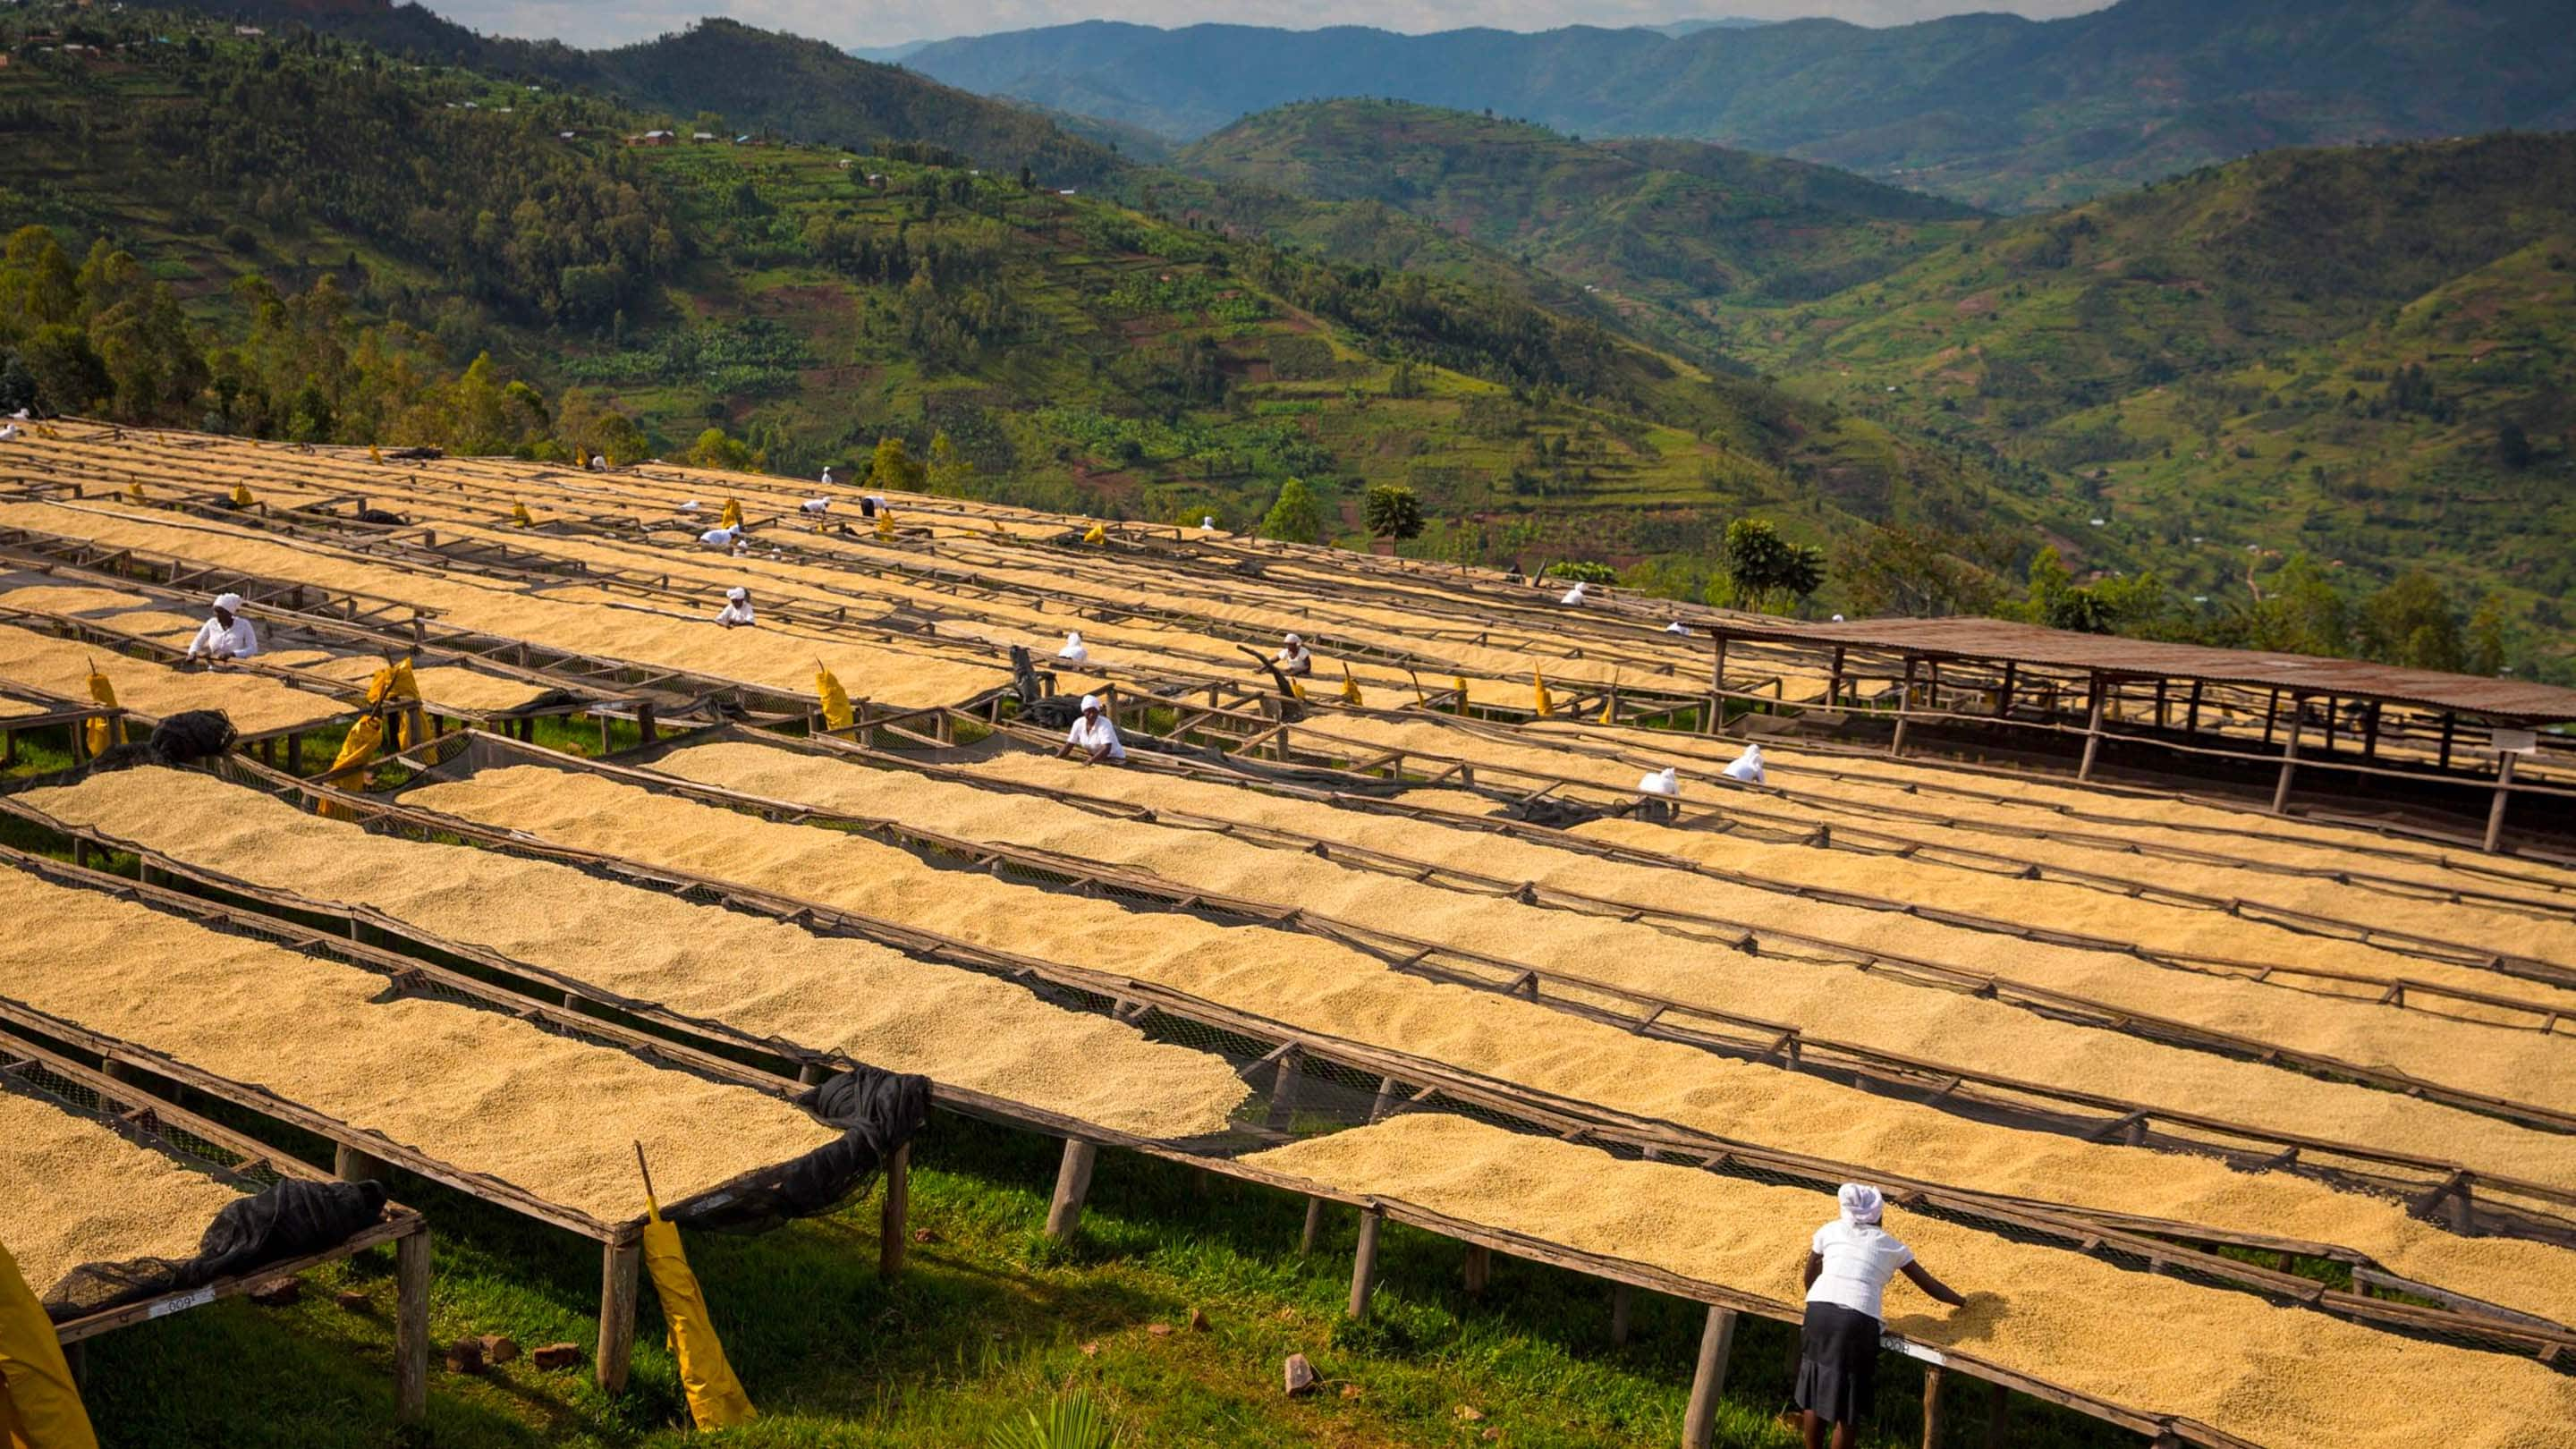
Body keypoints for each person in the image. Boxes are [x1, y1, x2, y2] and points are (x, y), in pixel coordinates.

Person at [1797, 1184, 1967, 1449]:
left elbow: (1810, 1274)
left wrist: (1818, 1302)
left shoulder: (1829, 1230)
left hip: (1818, 1310)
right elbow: (1930, 1285)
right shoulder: (1891, 1246)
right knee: (1848, 1404)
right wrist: (1963, 1302)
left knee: (1814, 1388)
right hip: (1857, 1320)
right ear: (1878, 1216)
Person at [184, 593, 259, 664]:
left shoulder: (243, 625)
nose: (216, 614)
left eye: (220, 611)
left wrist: (233, 654)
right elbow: (198, 641)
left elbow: (252, 649)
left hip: (236, 668)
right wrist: (193, 652)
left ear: (229, 612)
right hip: (214, 667)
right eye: (215, 611)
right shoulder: (211, 623)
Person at [1061, 695, 1125, 766]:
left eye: (1094, 711)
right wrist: (1057, 758)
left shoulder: (1105, 724)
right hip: (1095, 757)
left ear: (1098, 711)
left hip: (1113, 758)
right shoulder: (1078, 723)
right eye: (1088, 711)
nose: (1092, 714)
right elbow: (1070, 744)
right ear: (1083, 711)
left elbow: (1107, 748)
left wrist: (1090, 761)